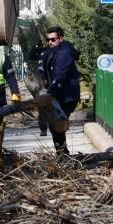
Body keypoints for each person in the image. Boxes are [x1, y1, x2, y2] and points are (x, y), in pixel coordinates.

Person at [43, 27, 81, 155]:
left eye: (53, 39)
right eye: (48, 40)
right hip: (59, 94)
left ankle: (62, 154)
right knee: (55, 125)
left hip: (67, 95)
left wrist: (49, 94)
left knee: (57, 124)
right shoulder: (54, 51)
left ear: (61, 38)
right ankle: (62, 153)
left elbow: (60, 77)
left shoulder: (64, 54)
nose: (50, 42)